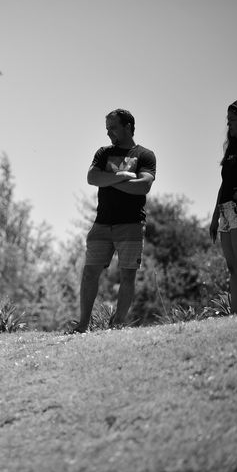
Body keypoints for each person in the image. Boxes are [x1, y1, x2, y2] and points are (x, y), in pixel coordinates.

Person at [70, 109, 157, 333]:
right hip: (101, 224)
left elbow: (144, 186)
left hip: (131, 224)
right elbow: (92, 178)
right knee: (90, 272)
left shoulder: (145, 155)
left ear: (128, 127)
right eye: (107, 128)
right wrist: (121, 177)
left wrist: (107, 181)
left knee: (127, 275)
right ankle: (83, 325)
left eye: (113, 128)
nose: (109, 133)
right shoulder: (103, 153)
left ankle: (118, 325)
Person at [209, 99, 237, 313]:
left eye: (233, 120)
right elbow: (224, 183)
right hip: (225, 211)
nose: (229, 125)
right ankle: (236, 312)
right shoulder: (231, 148)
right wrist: (215, 217)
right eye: (227, 120)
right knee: (232, 267)